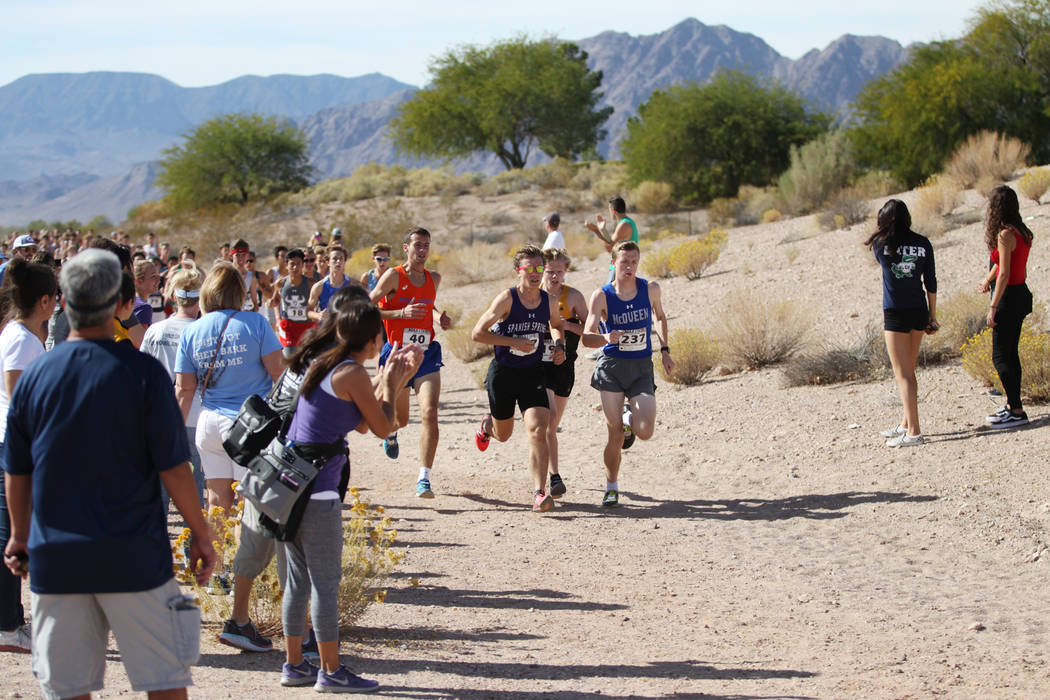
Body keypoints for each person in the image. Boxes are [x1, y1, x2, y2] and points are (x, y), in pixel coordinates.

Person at [2, 248, 216, 699]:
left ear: (62, 302)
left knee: (68, 688)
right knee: (165, 682)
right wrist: (200, 530)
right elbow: (174, 467)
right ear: (121, 305)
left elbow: (17, 470)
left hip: (57, 560)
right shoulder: (142, 374)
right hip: (134, 556)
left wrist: (19, 535)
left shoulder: (37, 374)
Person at [278, 299, 421, 693]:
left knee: (298, 581)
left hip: (288, 487)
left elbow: (358, 421)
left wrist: (390, 381)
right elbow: (382, 427)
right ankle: (330, 670)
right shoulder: (353, 372)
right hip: (318, 492)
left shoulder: (323, 362)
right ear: (375, 339)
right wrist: (393, 382)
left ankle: (294, 664)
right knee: (325, 584)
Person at [174, 262, 283, 649]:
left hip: (208, 423)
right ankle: (243, 586)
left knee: (218, 501)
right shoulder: (255, 325)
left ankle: (217, 576)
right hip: (247, 425)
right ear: (239, 290)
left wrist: (170, 432)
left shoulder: (194, 331)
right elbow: (278, 375)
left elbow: (184, 390)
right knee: (250, 508)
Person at [471, 245, 567, 512]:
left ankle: (539, 493)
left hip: (533, 372)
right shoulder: (507, 299)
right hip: (503, 373)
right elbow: (477, 333)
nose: (536, 274)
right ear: (518, 271)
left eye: (540, 268)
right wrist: (511, 341)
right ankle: (487, 427)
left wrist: (559, 346)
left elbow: (557, 325)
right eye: (530, 268)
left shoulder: (548, 301)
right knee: (504, 434)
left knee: (539, 429)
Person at [581, 241, 674, 507]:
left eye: (634, 261)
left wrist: (665, 350)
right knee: (615, 435)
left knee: (645, 431)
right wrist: (604, 336)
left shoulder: (651, 289)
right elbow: (587, 337)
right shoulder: (602, 295)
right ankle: (611, 486)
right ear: (613, 263)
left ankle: (627, 416)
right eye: (624, 262)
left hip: (641, 367)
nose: (629, 266)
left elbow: (660, 317)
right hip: (612, 367)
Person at [0, 258, 57, 654]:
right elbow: (19, 394)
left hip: (14, 444)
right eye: (54, 297)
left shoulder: (17, 334)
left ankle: (11, 620)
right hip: (17, 447)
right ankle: (9, 624)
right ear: (43, 300)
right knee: (15, 536)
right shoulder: (21, 339)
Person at [369, 227, 452, 498]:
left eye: (426, 244)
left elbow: (429, 306)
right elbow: (368, 307)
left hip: (426, 353)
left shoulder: (434, 278)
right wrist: (399, 313)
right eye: (417, 244)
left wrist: (440, 318)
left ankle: (424, 478)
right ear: (406, 247)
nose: (422, 249)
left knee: (429, 412)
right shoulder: (393, 276)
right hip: (397, 355)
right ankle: (391, 434)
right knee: (400, 420)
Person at [865, 200, 938, 447]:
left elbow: (880, 256)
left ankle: (914, 432)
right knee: (909, 370)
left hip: (895, 312)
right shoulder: (923, 243)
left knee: (903, 373)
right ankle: (906, 423)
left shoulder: (881, 244)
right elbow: (931, 282)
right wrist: (932, 315)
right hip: (919, 310)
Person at [141, 267, 207, 509]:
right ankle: (194, 545)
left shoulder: (155, 331)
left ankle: (156, 543)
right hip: (196, 416)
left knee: (159, 486)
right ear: (199, 298)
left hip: (161, 416)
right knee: (195, 488)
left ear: (174, 296)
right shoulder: (204, 332)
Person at [978, 185, 1034, 428]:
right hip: (1021, 295)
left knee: (1000, 356)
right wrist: (987, 279)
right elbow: (1001, 265)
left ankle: (1017, 411)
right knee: (1011, 353)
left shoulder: (1004, 235)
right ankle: (1013, 405)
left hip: (1008, 298)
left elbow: (1005, 274)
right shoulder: (1021, 231)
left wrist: (993, 306)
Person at [539, 248, 587, 499]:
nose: (555, 276)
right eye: (550, 271)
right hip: (539, 366)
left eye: (559, 271)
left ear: (566, 271)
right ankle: (553, 477)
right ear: (542, 271)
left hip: (566, 366)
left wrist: (566, 325)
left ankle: (549, 475)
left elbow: (591, 330)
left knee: (553, 425)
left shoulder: (574, 297)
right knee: (549, 419)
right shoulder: (533, 296)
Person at [271, 249, 315, 352]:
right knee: (289, 359)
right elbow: (276, 301)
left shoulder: (310, 283)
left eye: (298, 264)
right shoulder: (280, 284)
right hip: (288, 327)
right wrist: (278, 318)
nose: (295, 267)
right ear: (286, 265)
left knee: (306, 362)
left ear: (302, 265)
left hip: (306, 326)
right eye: (292, 264)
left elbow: (317, 302)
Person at [308, 245, 353, 321]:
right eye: (335, 259)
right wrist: (318, 315)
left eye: (341, 259)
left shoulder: (353, 285)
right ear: (327, 262)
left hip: (346, 329)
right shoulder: (319, 286)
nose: (338, 261)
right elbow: (308, 310)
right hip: (326, 329)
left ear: (344, 262)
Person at [231, 239, 262, 313]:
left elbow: (255, 302)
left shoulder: (251, 277)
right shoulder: (226, 274)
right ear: (232, 256)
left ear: (247, 256)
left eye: (243, 255)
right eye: (237, 255)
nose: (241, 259)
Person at [133, 259, 163, 327]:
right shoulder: (143, 307)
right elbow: (141, 337)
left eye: (158, 276)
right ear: (139, 281)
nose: (158, 281)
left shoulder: (128, 302)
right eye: (153, 277)